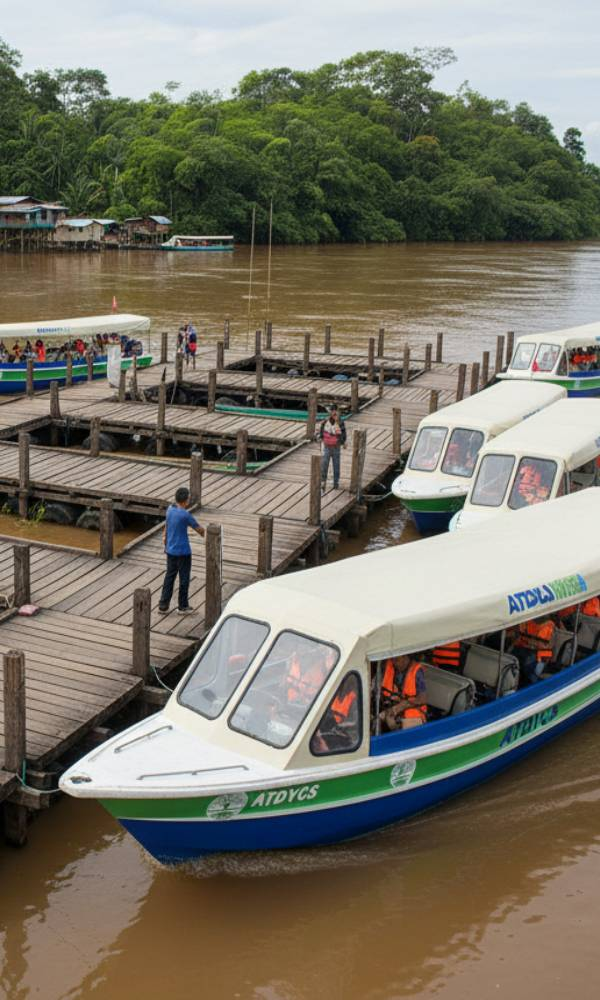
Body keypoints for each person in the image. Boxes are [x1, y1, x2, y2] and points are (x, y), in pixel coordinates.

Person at [158, 486, 205, 615]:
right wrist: (209, 533)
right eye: (188, 497)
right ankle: (182, 606)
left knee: (169, 577)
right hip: (183, 552)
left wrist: (165, 538)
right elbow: (199, 530)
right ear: (185, 500)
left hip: (170, 550)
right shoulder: (185, 515)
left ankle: (163, 605)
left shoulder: (170, 509)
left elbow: (167, 525)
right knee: (184, 579)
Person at [378, 654, 427, 731]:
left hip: (413, 712)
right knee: (377, 721)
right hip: (393, 707)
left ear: (405, 657)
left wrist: (397, 708)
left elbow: (422, 699)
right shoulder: (391, 666)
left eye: (397, 660)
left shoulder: (416, 671)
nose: (394, 663)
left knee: (405, 727)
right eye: (393, 660)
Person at [510, 617, 556, 684]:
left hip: (540, 656)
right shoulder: (526, 620)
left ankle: (533, 683)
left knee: (529, 667)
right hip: (523, 650)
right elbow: (518, 636)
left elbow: (543, 645)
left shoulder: (549, 625)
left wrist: (527, 641)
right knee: (511, 659)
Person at [319, 405, 347, 492]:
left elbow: (343, 434)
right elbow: (321, 432)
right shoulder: (326, 421)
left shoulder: (340, 422)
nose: (334, 413)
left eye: (335, 411)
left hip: (335, 446)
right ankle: (323, 482)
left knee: (336, 464)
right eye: (332, 411)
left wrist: (343, 442)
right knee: (325, 464)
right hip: (327, 446)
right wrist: (321, 439)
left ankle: (336, 483)